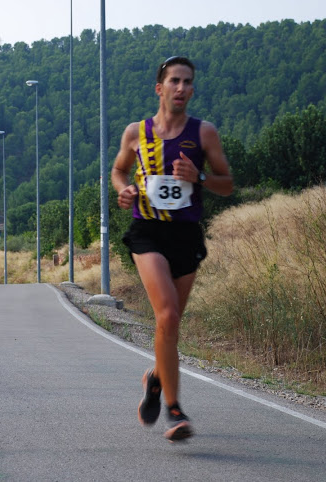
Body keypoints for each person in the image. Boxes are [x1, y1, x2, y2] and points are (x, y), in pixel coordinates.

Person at [111, 56, 234, 441]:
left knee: (172, 323)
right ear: (159, 88)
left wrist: (198, 177)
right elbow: (118, 171)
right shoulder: (136, 132)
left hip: (185, 235)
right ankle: (174, 408)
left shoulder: (204, 134)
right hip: (147, 232)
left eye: (188, 82)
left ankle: (154, 379)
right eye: (175, 81)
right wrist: (124, 190)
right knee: (165, 313)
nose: (182, 88)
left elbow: (227, 183)